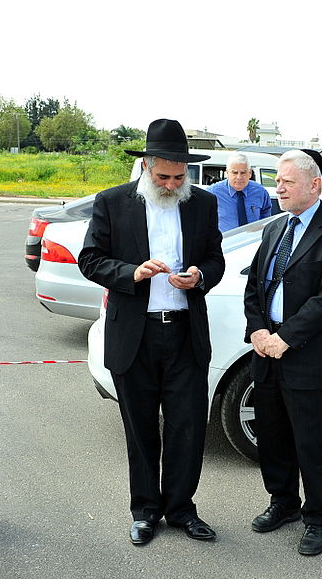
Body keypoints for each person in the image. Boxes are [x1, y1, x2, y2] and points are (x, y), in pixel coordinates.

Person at [78, 118, 225, 546]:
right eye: (163, 176)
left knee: (188, 426)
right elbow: (91, 259)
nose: (171, 183)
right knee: (140, 429)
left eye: (179, 177)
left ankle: (181, 509)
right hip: (135, 335)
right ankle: (144, 511)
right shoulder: (112, 203)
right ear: (145, 166)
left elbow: (216, 259)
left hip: (184, 333)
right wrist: (131, 272)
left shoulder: (202, 204)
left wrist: (199, 276)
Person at [243, 149, 322, 556]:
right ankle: (283, 503)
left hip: (308, 354)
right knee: (271, 436)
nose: (279, 187)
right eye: (278, 180)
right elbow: (255, 286)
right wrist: (258, 329)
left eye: (288, 182)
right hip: (266, 349)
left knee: (310, 441)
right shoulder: (274, 229)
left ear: (315, 185)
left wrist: (285, 337)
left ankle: (316, 518)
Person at [209, 152, 272, 232]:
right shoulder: (213, 193)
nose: (239, 177)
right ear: (227, 173)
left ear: (250, 173)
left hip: (253, 242)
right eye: (234, 173)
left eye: (243, 173)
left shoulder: (260, 192)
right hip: (224, 242)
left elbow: (266, 215)